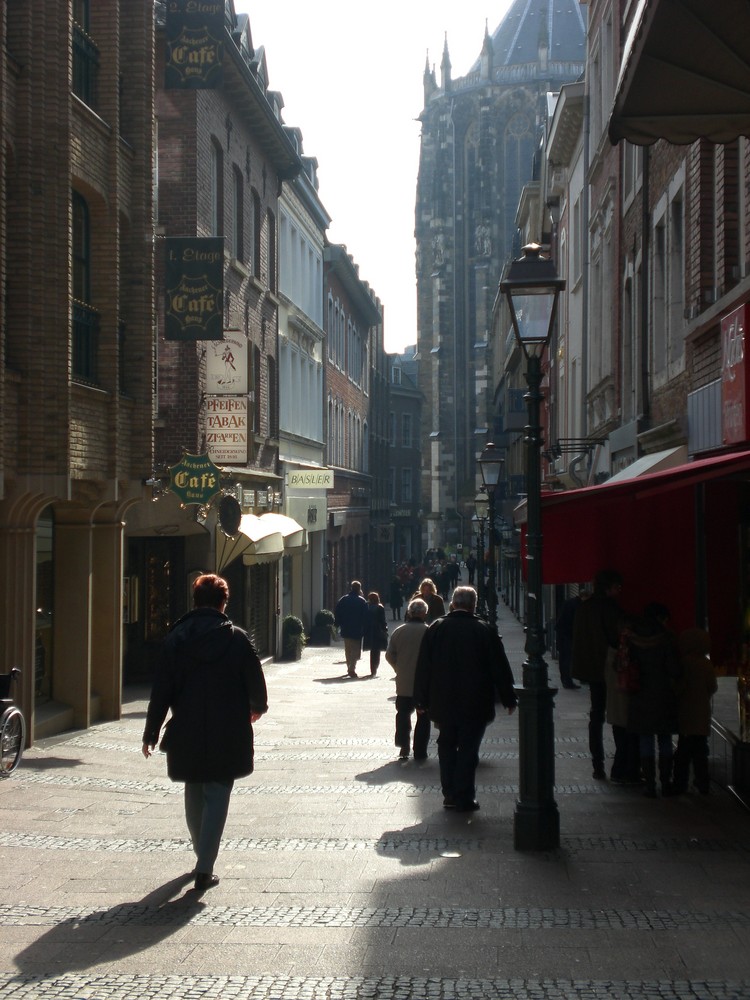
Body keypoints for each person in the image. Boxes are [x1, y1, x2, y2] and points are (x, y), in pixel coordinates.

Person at [142, 573, 268, 891]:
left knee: (194, 790)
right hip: (228, 728)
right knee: (217, 791)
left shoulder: (176, 638)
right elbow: (256, 680)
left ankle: (202, 856)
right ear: (223, 602)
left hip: (186, 726)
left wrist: (151, 731)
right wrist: (258, 706)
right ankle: (204, 866)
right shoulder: (236, 638)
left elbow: (162, 689)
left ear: (195, 601)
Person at [414, 585, 517, 811]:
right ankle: (464, 795)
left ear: (453, 604)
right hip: (475, 701)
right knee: (469, 750)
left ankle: (449, 793)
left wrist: (420, 700)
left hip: (443, 701)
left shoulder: (436, 628)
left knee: (447, 746)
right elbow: (499, 667)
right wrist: (509, 697)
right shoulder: (484, 630)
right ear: (473, 605)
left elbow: (424, 667)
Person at [571, 569, 625, 780]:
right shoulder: (611, 609)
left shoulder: (584, 608)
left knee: (596, 715)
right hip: (610, 669)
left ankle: (597, 764)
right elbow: (614, 638)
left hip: (592, 670)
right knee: (617, 716)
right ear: (608, 588)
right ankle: (620, 764)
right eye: (617, 587)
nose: (619, 591)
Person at [625, 603, 680, 796]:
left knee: (645, 739)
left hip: (639, 693)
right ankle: (666, 782)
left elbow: (621, 664)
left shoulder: (631, 637)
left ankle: (649, 784)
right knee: (665, 739)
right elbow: (675, 669)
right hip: (663, 693)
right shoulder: (666, 639)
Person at [385, 597, 431, 761]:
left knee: (403, 713)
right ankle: (420, 750)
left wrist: (399, 668)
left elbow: (389, 655)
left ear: (409, 613)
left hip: (404, 682)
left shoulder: (399, 631)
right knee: (424, 717)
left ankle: (404, 745)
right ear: (424, 613)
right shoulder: (429, 631)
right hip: (424, 684)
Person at [673, 627, 717, 795]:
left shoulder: (683, 662)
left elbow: (677, 687)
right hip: (701, 712)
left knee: (683, 750)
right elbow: (712, 686)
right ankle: (702, 781)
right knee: (700, 751)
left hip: (685, 711)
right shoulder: (706, 664)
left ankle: (680, 782)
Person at [334, 580, 370, 678]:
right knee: (355, 650)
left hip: (345, 627)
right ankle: (351, 668)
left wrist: (338, 624)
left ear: (351, 588)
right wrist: (365, 628)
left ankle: (349, 666)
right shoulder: (362, 601)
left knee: (348, 649)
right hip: (357, 628)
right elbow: (366, 616)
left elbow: (337, 612)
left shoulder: (343, 599)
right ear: (359, 589)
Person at [554, 588, 587, 689]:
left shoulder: (570, 603)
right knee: (567, 659)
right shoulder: (577, 606)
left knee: (564, 658)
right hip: (567, 636)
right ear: (583, 597)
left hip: (563, 634)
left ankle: (566, 680)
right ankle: (567, 681)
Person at [362, 591, 388, 676]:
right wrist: (385, 630)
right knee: (377, 651)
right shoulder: (380, 607)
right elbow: (382, 621)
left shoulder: (367, 607)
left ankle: (372, 669)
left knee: (372, 651)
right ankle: (375, 668)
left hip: (369, 631)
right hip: (378, 631)